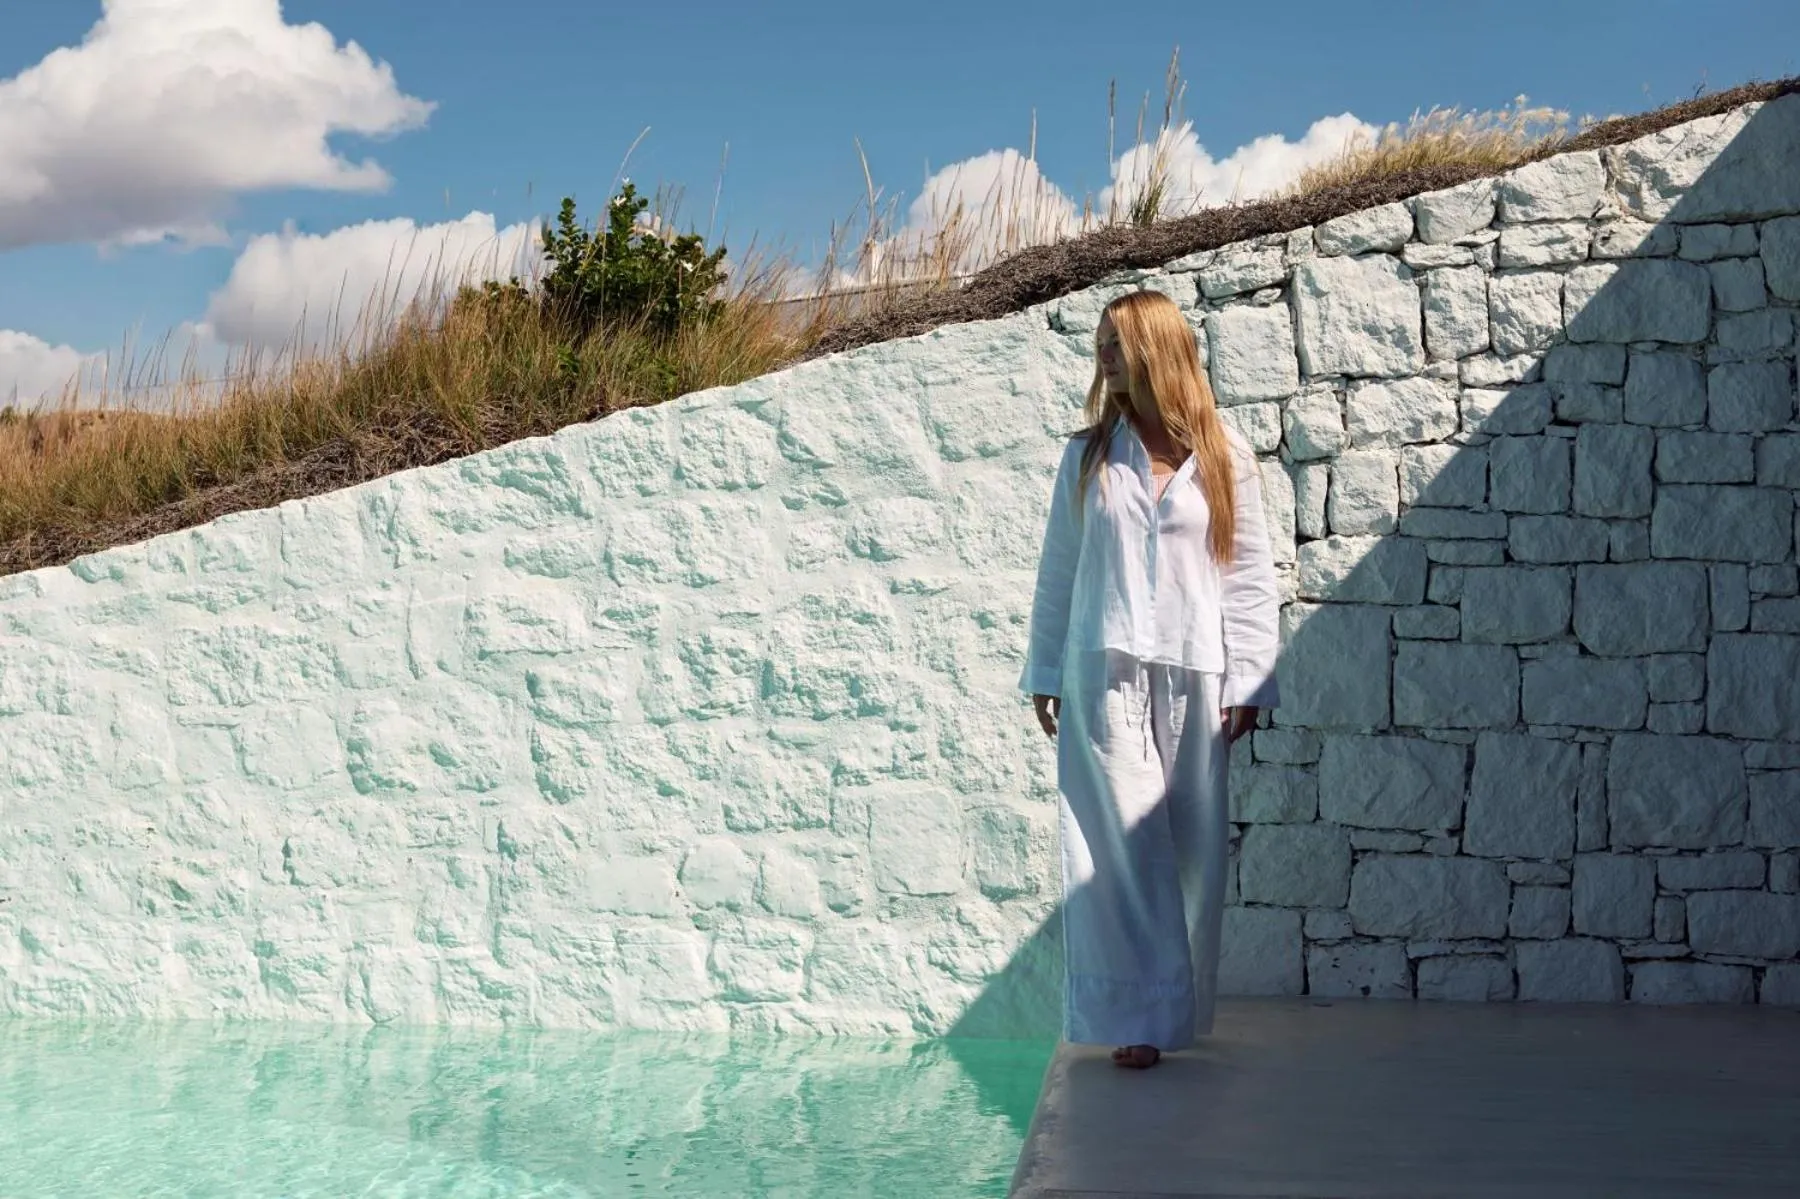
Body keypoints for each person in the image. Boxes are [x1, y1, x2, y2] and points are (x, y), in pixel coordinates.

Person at [1019, 289, 1282, 1070]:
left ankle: (1174, 1005)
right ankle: (1135, 1018)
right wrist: (1045, 667)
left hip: (1198, 671)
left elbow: (1249, 572)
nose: (1103, 357)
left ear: (1156, 349)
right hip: (1103, 673)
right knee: (1121, 848)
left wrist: (1250, 680)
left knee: (1193, 848)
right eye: (1100, 343)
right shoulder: (1089, 456)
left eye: (1116, 342)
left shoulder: (1224, 454)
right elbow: (1058, 569)